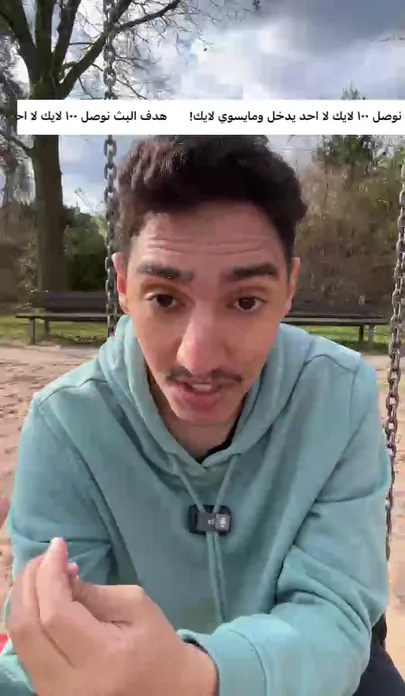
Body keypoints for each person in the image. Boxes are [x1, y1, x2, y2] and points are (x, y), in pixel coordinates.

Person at [0, 135, 403, 695]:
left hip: (309, 668)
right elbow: (53, 649)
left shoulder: (338, 396)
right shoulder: (66, 423)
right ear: (123, 286)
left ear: (289, 288)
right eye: (165, 299)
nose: (199, 358)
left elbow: (334, 611)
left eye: (245, 302)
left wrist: (197, 675)